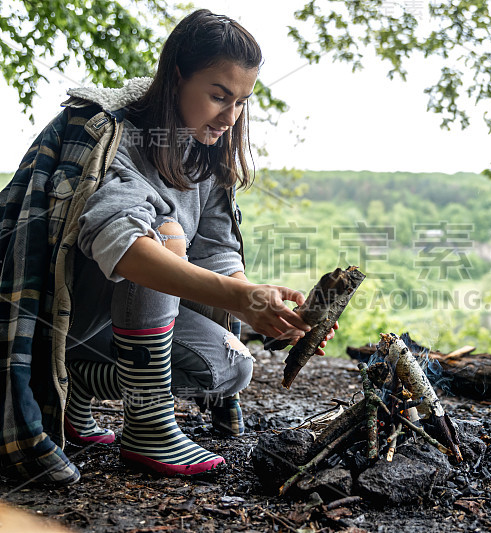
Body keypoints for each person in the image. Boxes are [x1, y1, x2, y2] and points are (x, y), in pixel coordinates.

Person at [0, 9, 334, 483]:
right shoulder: (116, 135)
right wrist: (239, 298)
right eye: (219, 96)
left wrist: (262, 303)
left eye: (241, 101)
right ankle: (149, 426)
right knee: (166, 236)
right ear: (176, 77)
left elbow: (216, 253)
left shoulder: (206, 152)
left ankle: (73, 387)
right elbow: (123, 244)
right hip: (65, 317)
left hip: (113, 336)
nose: (230, 116)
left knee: (232, 369)